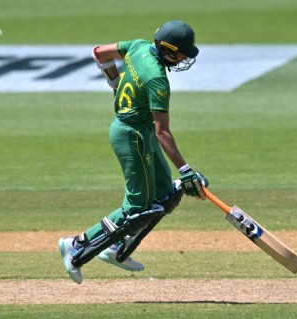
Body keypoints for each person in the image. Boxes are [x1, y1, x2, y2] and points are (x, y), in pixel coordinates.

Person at [59, 20, 208, 284]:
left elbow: (99, 53)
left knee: (165, 196)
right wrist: (185, 171)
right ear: (169, 51)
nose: (185, 57)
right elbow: (164, 133)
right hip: (133, 137)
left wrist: (114, 83)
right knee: (138, 208)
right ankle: (76, 244)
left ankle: (117, 249)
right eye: (182, 52)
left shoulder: (138, 46)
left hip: (141, 132)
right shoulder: (158, 79)